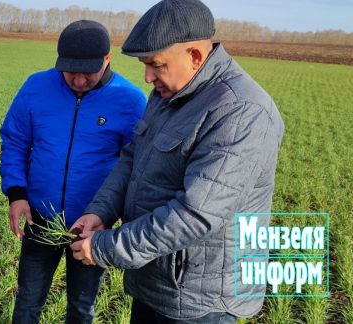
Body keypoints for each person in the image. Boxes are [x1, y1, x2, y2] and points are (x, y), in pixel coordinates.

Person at [69, 0, 285, 323]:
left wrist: (104, 248)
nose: (146, 77)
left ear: (195, 56)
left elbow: (195, 215)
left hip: (201, 302)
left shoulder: (242, 112)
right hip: (156, 281)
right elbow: (132, 158)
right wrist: (101, 211)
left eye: (156, 65)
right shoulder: (168, 92)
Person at [0, 20, 147, 324]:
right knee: (28, 299)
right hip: (40, 218)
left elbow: (136, 166)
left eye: (88, 73)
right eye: (70, 72)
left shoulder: (129, 101)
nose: (78, 81)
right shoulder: (36, 88)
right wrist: (16, 194)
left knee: (82, 306)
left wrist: (109, 215)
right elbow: (14, 141)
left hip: (92, 227)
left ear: (107, 59)